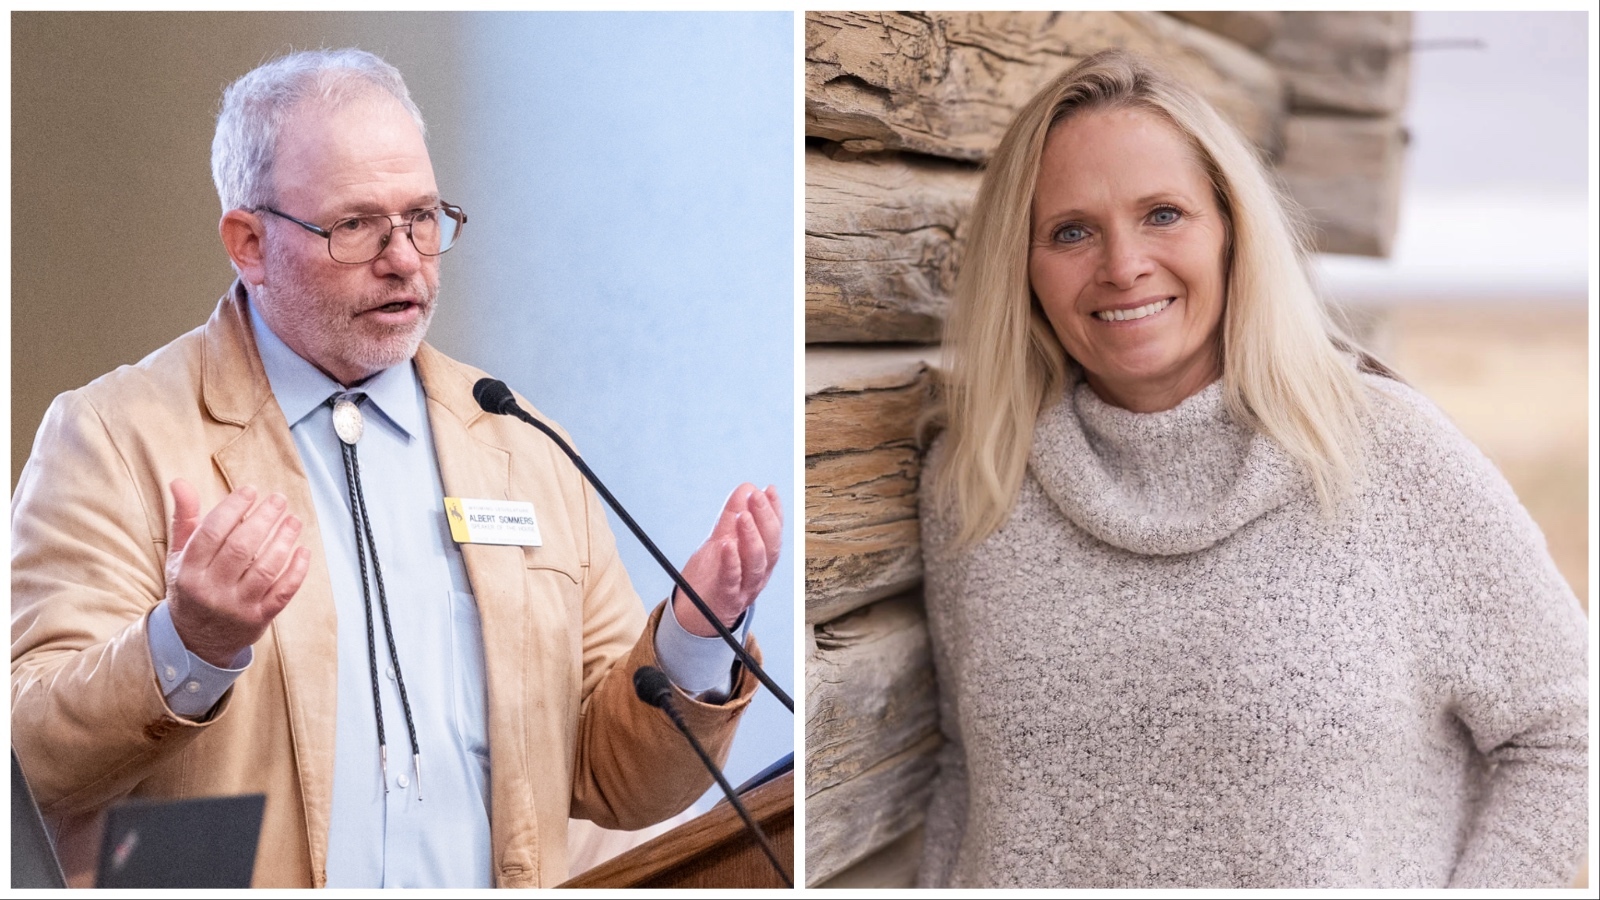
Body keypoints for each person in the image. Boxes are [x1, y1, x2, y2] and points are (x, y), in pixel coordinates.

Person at [10, 48, 783, 889]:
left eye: (422, 216)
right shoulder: (115, 437)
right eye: (354, 226)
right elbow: (30, 760)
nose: (406, 257)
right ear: (249, 243)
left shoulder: (521, 442)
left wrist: (694, 644)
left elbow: (617, 782)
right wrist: (189, 646)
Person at [917, 49, 1587, 889]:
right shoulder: (976, 479)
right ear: (1023, 266)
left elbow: (1569, 733)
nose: (1122, 264)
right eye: (1072, 231)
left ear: (1232, 228)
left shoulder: (1388, 454)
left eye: (1164, 214)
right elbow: (965, 780)